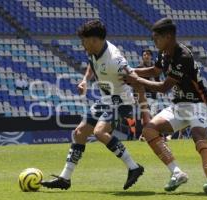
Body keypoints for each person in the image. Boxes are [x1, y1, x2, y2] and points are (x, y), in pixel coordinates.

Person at [123, 18, 207, 196]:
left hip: (197, 103)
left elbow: (163, 87)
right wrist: (131, 71)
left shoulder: (182, 56)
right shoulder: (164, 53)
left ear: (168, 37)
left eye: (156, 38)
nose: (154, 42)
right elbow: (155, 71)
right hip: (178, 104)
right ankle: (177, 173)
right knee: (149, 130)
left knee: (199, 138)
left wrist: (136, 80)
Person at [41, 20, 144, 190]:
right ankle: (65, 178)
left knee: (99, 132)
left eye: (84, 41)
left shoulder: (115, 60)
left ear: (95, 40)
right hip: (105, 100)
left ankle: (134, 167)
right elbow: (92, 63)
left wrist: (145, 110)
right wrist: (85, 81)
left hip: (121, 101)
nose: (82, 44)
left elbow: (136, 81)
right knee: (79, 133)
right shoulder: (94, 50)